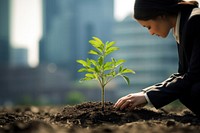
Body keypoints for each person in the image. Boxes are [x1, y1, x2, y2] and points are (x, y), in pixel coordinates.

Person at [114, 0, 200, 117]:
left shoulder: (195, 21)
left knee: (194, 89)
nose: (150, 33)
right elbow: (183, 74)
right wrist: (146, 93)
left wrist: (146, 97)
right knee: (184, 89)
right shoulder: (184, 23)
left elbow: (194, 75)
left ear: (161, 16)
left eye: (148, 27)